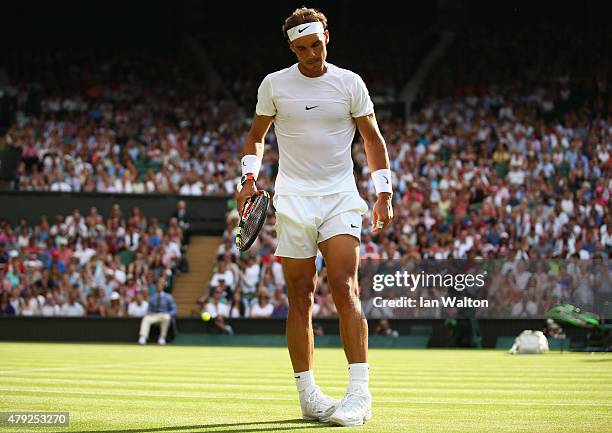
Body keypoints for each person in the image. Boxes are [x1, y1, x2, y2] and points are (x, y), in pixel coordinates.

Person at [236, 7, 393, 426]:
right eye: (302, 47)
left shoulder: (349, 83)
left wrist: (384, 191)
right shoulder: (274, 85)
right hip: (292, 200)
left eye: (316, 44)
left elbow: (372, 138)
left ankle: (359, 395)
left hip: (340, 197)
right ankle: (308, 396)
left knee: (345, 286)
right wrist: (248, 179)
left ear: (328, 38)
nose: (311, 53)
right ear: (291, 47)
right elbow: (256, 137)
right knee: (300, 295)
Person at [138, 279, 176, 345]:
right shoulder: (152, 297)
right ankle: (143, 337)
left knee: (166, 318)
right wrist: (149, 313)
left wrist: (168, 314)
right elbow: (149, 310)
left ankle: (162, 337)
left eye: (160, 286)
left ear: (162, 287)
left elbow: (174, 310)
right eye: (157, 286)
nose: (158, 287)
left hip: (164, 315)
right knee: (146, 318)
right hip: (154, 315)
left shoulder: (169, 297)